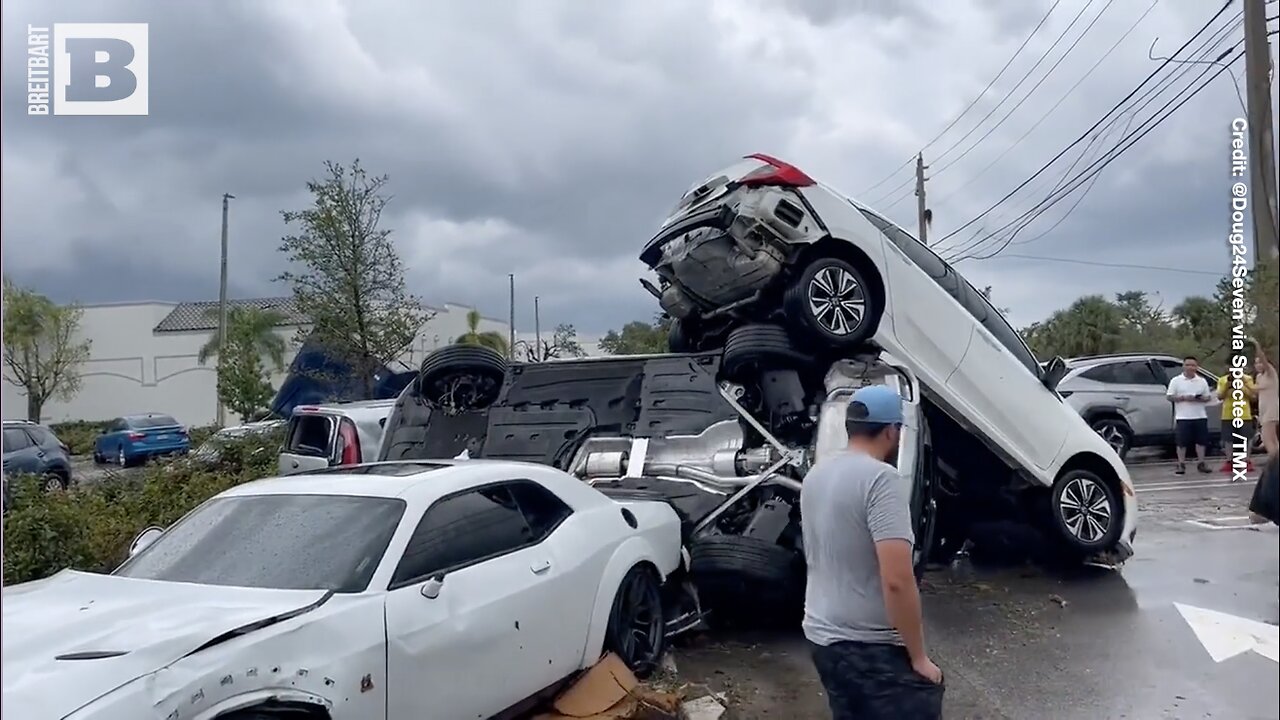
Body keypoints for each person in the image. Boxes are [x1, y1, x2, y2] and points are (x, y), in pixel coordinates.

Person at [801, 384, 943, 719]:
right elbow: (897, 579)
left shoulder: (816, 475)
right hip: (868, 646)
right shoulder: (881, 480)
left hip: (822, 638)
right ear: (892, 431)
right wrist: (919, 657)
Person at [1166, 356, 1213, 475]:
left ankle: (1201, 463)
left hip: (1200, 415)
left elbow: (1208, 397)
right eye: (1188, 365)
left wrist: (1199, 398)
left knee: (1201, 441)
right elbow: (1169, 396)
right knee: (1182, 442)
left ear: (1197, 367)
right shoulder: (1176, 380)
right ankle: (1181, 464)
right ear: (1183, 366)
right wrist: (1182, 398)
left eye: (1193, 365)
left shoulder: (1201, 381)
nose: (1190, 368)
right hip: (1183, 416)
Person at [1215, 367, 1256, 475]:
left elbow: (1253, 396)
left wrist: (1241, 385)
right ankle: (1230, 461)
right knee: (1228, 439)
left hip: (1244, 414)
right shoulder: (1223, 380)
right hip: (1228, 414)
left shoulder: (1247, 379)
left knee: (1246, 438)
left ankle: (1246, 460)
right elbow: (1219, 396)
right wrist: (1228, 385)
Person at [1255, 346, 1279, 457]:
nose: (1259, 365)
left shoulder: (1271, 373)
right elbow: (1254, 390)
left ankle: (1274, 462)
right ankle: (1276, 460)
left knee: (1267, 439)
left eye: (1260, 362)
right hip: (1263, 410)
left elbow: (1263, 358)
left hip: (1272, 409)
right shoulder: (1259, 377)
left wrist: (1257, 346)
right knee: (1272, 439)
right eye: (1256, 363)